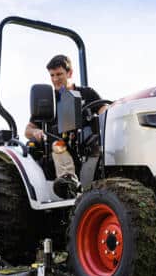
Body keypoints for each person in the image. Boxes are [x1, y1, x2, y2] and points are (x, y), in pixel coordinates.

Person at [25, 54, 107, 199]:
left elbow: (104, 111)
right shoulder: (49, 100)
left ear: (69, 73)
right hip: (59, 145)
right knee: (59, 145)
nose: (55, 79)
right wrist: (36, 131)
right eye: (52, 75)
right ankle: (68, 182)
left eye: (59, 74)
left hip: (87, 144)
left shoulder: (87, 93)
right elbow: (28, 130)